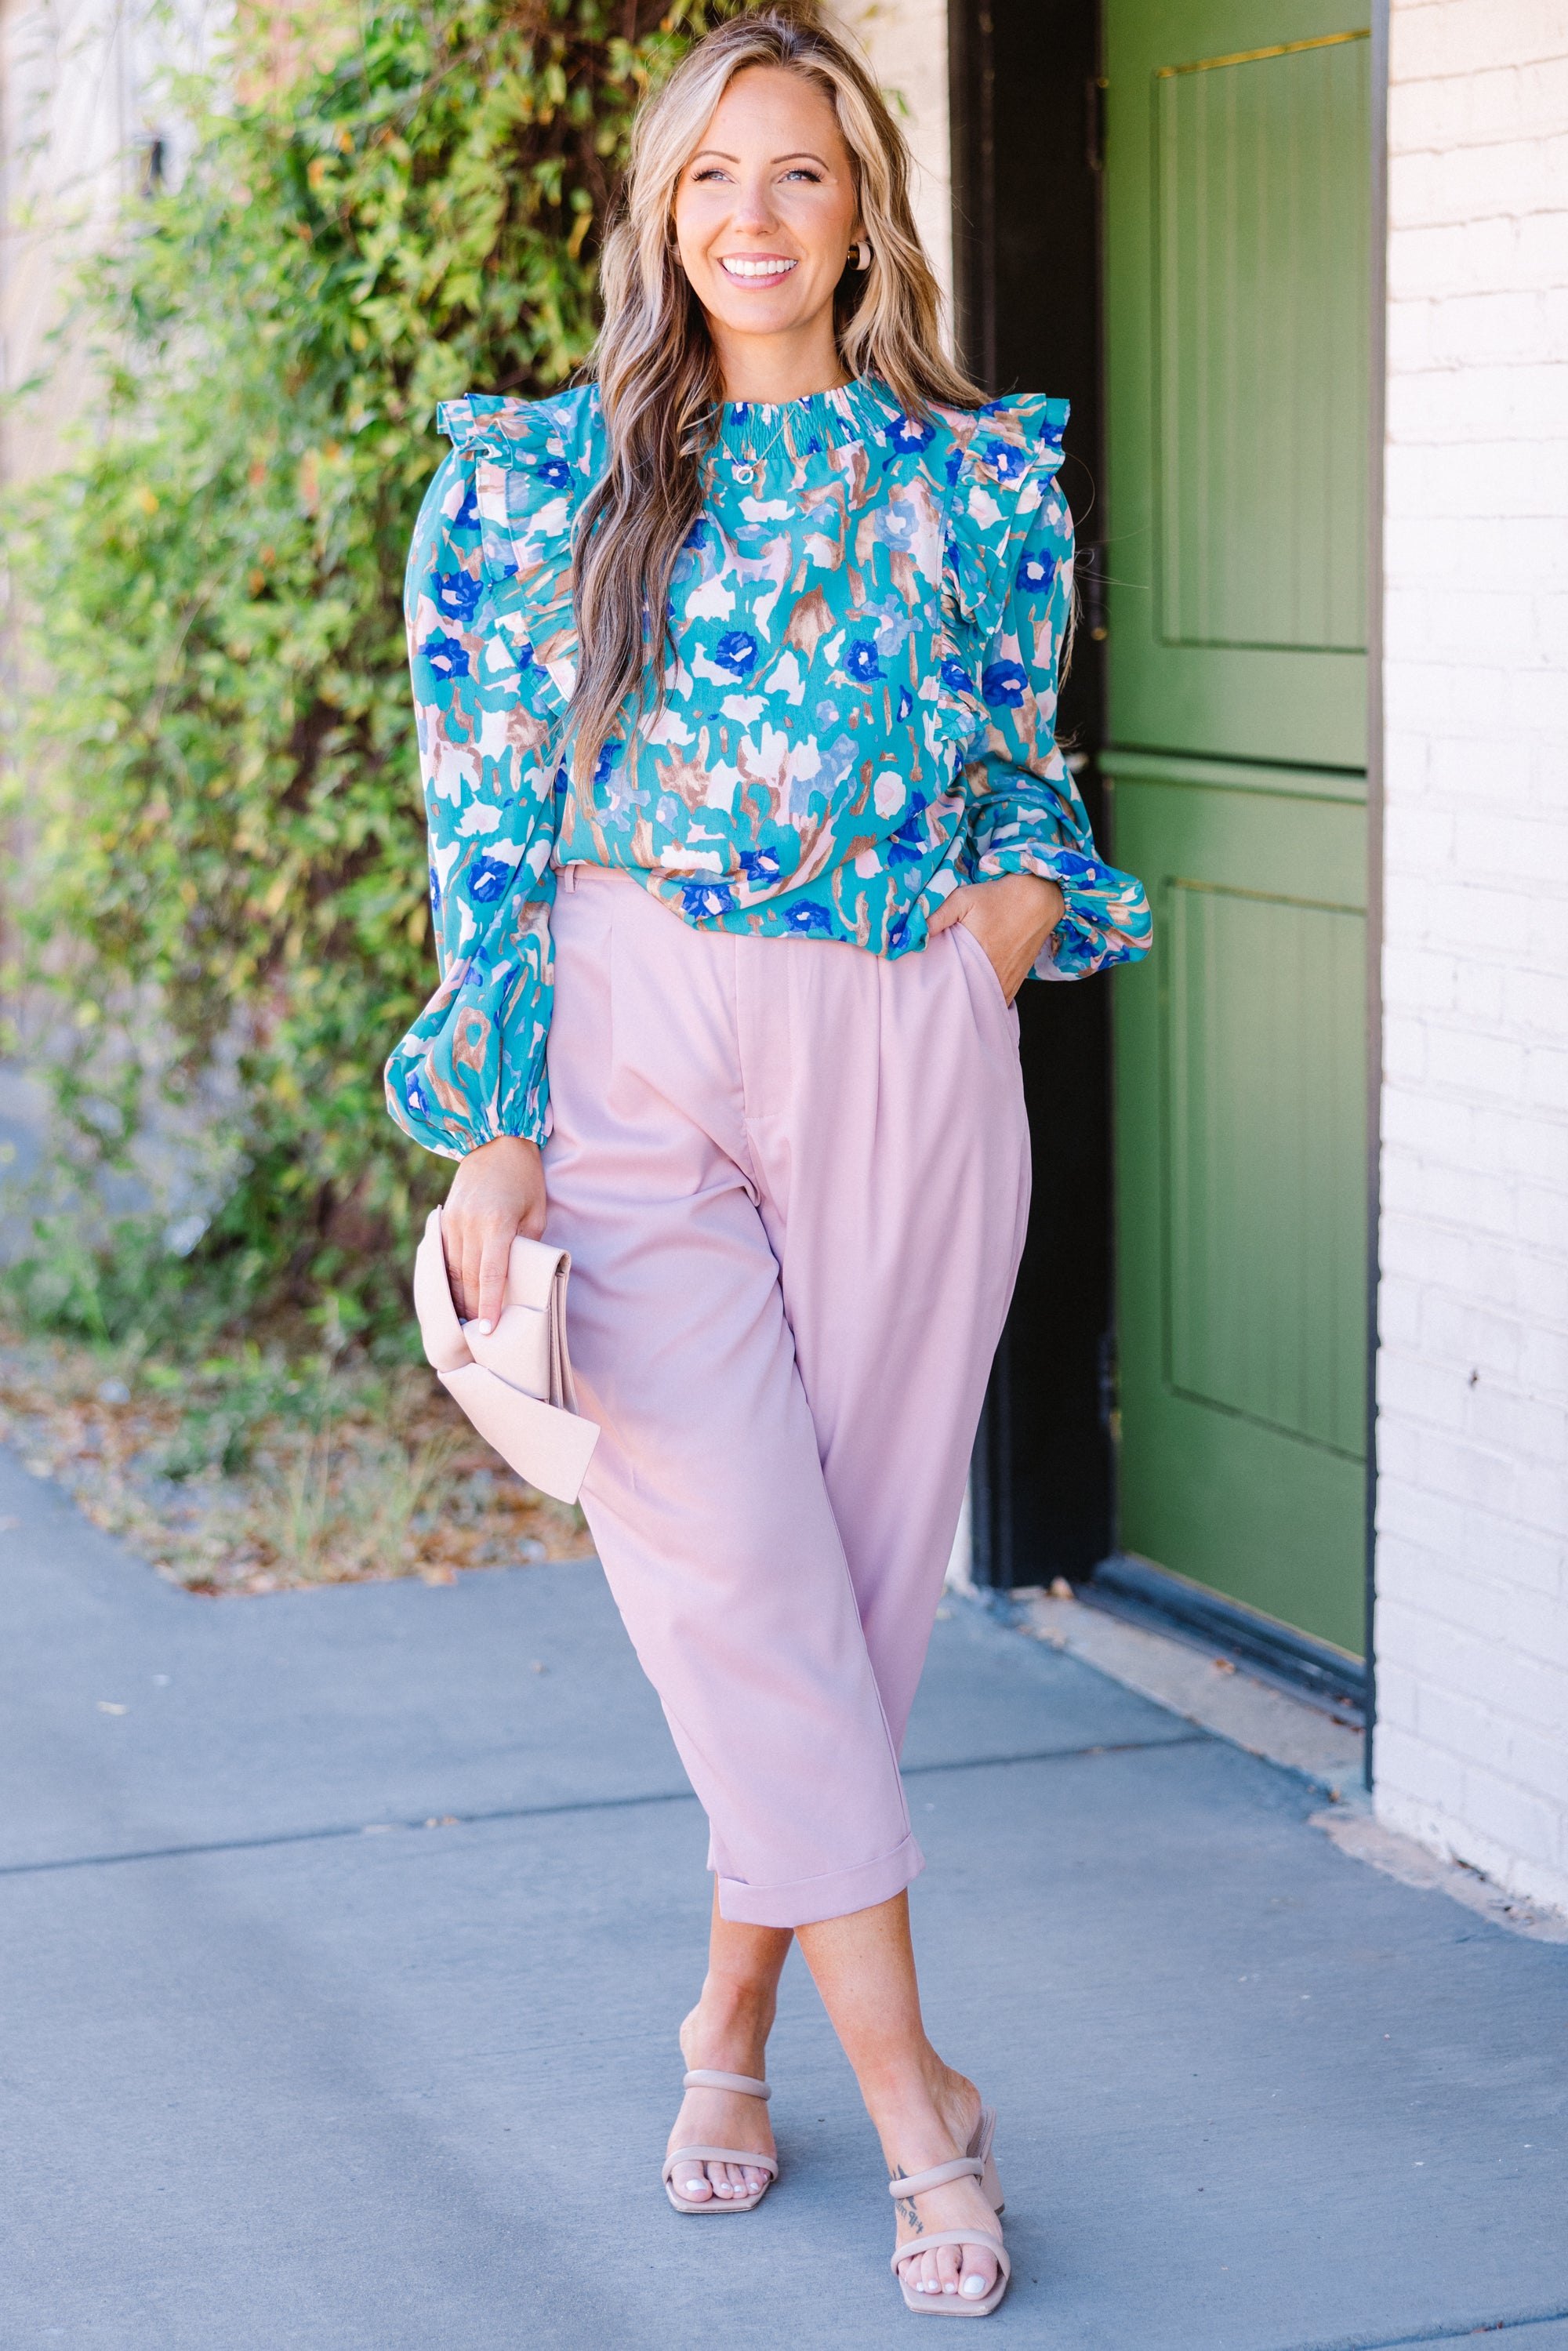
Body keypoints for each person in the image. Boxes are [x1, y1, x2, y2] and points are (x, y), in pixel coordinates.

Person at [387, 2, 1149, 2315]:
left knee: (845, 1591)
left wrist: (994, 947)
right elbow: (485, 825)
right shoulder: (538, 485)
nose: (755, 215)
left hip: (899, 1038)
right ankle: (917, 2100)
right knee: (735, 1567)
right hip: (630, 1047)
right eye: (712, 174)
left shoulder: (974, 483)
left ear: (865, 210)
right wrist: (495, 1126)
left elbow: (1025, 780)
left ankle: (729, 2025)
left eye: (801, 169)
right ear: (660, 213)